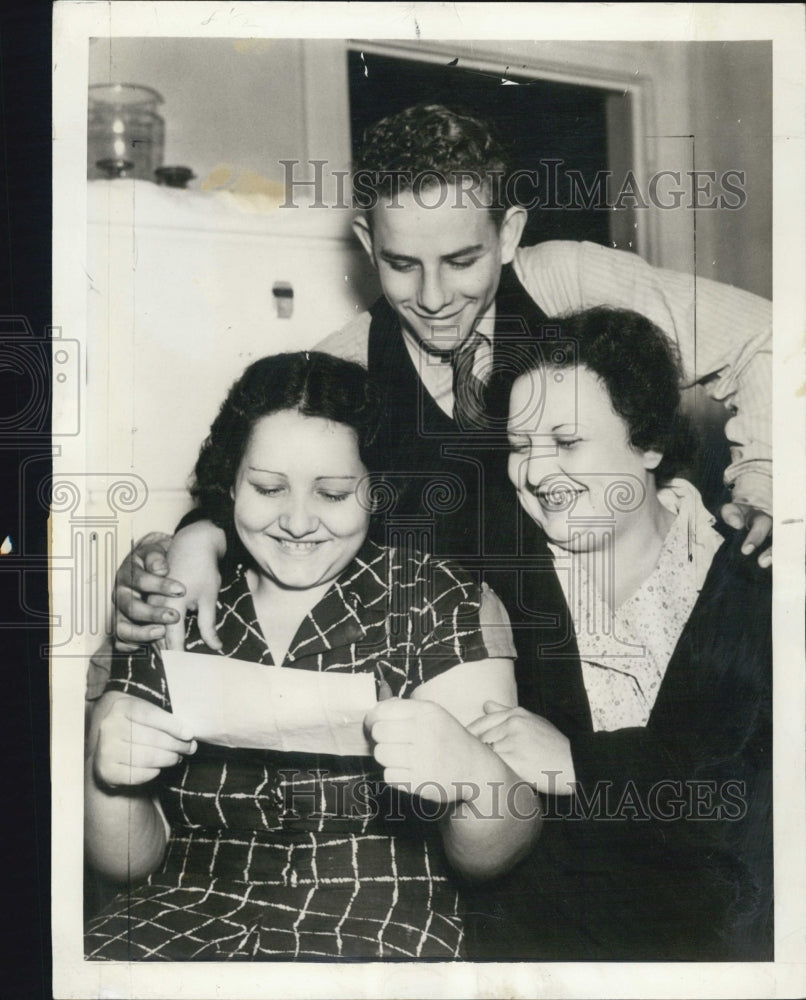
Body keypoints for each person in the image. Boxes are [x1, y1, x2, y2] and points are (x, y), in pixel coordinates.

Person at [106, 102, 772, 660]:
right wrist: (193, 541)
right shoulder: (348, 360)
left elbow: (767, 337)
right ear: (368, 243)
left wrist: (764, 474)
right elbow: (249, 485)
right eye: (401, 263)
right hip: (459, 677)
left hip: (627, 651)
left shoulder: (566, 281)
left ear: (508, 233)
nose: (431, 297)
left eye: (460, 261)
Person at [83, 351, 540, 961]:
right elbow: (129, 867)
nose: (298, 522)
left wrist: (475, 778)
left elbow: (490, 859)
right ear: (231, 484)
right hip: (183, 920)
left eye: (332, 493)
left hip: (377, 933)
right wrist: (110, 781)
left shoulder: (442, 600)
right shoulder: (169, 601)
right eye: (269, 488)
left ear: (375, 490)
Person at [464, 307, 772, 961]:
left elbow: (749, 802)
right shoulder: (494, 578)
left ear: (649, 442)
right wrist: (204, 533)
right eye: (520, 447)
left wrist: (580, 764)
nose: (538, 474)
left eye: (568, 442)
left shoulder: (755, 582)